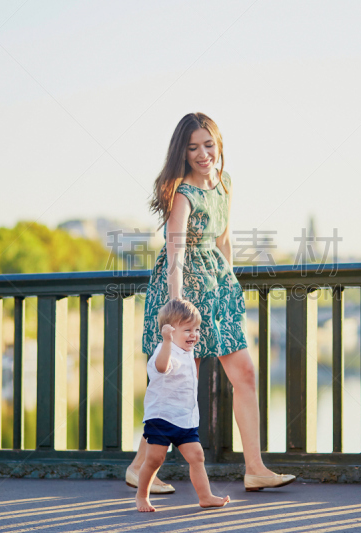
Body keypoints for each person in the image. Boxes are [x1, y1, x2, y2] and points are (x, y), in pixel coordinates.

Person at [126, 112, 295, 493]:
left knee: (245, 375)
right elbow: (176, 251)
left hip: (217, 289)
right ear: (182, 153)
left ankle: (255, 469)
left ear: (218, 145)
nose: (203, 154)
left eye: (208, 144)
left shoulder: (225, 183)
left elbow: (224, 238)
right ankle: (140, 467)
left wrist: (230, 283)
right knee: (181, 384)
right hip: (185, 292)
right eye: (193, 147)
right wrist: (175, 310)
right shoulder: (184, 193)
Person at [136, 299, 230, 512]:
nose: (194, 335)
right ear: (169, 331)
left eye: (196, 329)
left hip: (184, 419)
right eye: (187, 330)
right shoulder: (164, 350)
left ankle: (205, 496)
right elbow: (162, 367)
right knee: (154, 459)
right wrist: (167, 341)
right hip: (161, 417)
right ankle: (141, 496)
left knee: (197, 456)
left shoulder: (188, 353)